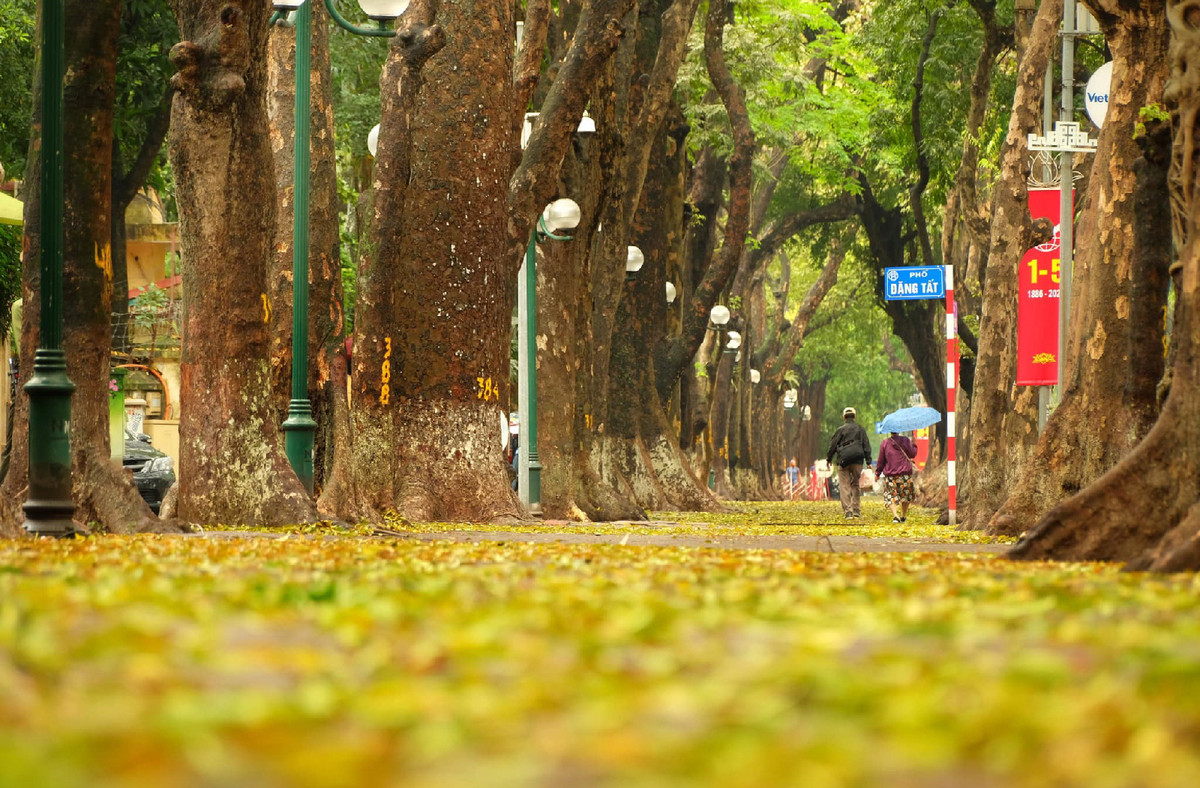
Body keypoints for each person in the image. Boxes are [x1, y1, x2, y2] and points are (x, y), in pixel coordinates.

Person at [826, 406, 871, 519]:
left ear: (844, 417)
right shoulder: (860, 429)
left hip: (843, 461)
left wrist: (829, 459)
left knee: (844, 485)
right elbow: (866, 445)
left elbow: (833, 445)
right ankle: (856, 509)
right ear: (854, 417)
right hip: (857, 460)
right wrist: (868, 461)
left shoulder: (840, 430)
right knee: (855, 484)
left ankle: (848, 511)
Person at [876, 431, 918, 523]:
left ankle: (895, 516)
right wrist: (914, 444)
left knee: (891, 495)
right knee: (906, 495)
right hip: (905, 474)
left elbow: (881, 460)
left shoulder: (885, 443)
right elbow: (912, 454)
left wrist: (877, 473)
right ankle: (903, 515)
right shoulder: (905, 440)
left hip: (891, 475)